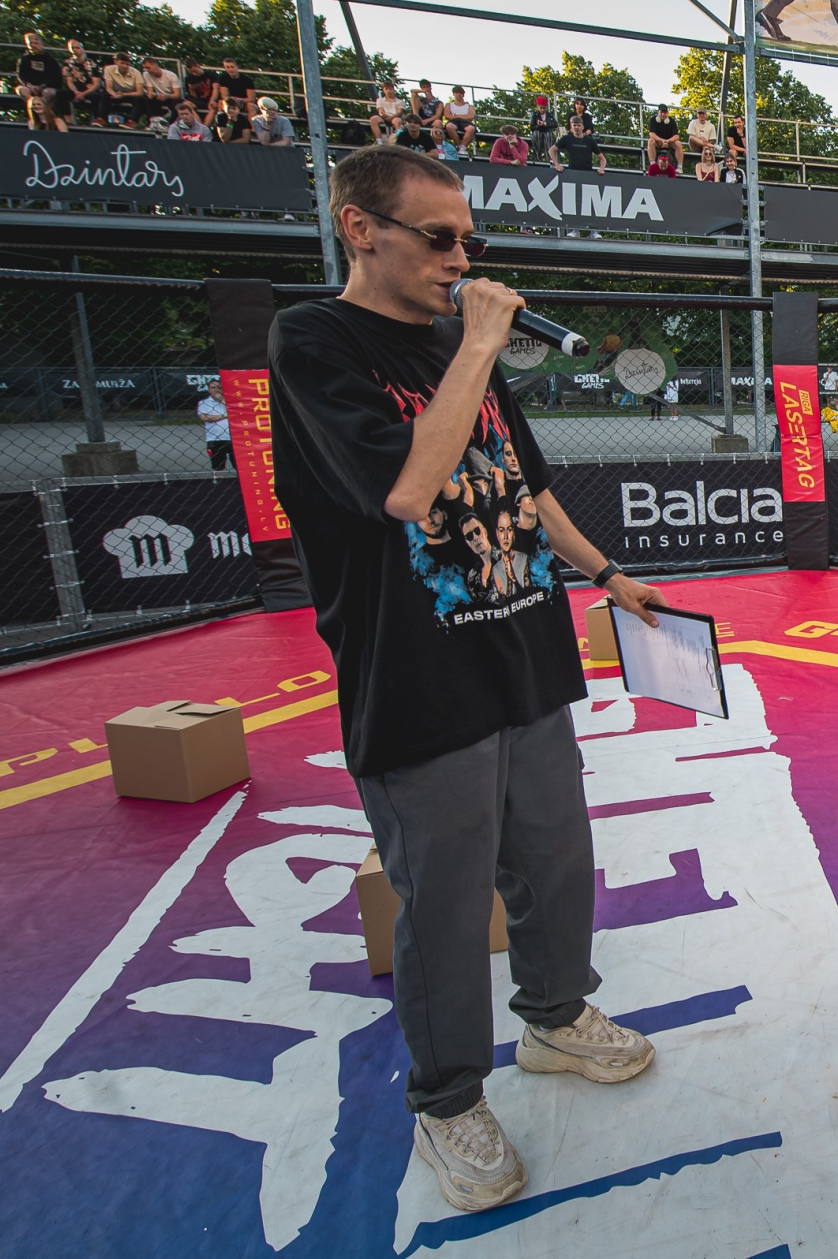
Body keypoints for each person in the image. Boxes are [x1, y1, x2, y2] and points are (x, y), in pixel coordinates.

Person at [266, 145, 665, 1215]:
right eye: (438, 238)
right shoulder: (314, 339)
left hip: (522, 644)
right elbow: (407, 490)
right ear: (361, 229)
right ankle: (447, 1098)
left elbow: (525, 486)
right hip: (417, 670)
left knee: (556, 858)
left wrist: (607, 574)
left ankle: (555, 1017)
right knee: (443, 901)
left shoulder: (457, 343)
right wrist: (481, 344)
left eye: (469, 240)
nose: (460, 259)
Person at [15, 31, 66, 113]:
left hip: (47, 87)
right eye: (31, 43)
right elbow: (21, 75)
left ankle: (45, 113)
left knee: (47, 93)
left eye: (36, 43)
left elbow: (55, 77)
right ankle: (34, 109)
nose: (33, 45)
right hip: (31, 87)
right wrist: (30, 85)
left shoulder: (50, 59)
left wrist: (42, 86)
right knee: (21, 89)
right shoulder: (24, 59)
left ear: (41, 44)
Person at [61, 40, 103, 125]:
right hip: (75, 91)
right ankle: (68, 121)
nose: (75, 50)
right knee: (61, 94)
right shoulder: (67, 64)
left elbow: (96, 84)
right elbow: (69, 81)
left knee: (97, 97)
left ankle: (97, 121)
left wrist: (83, 94)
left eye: (77, 48)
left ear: (82, 49)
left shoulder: (92, 64)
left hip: (89, 91)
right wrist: (76, 92)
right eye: (72, 48)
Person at [101, 50, 147, 127]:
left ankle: (133, 122)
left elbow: (140, 92)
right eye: (122, 63)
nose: (125, 66)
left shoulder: (136, 73)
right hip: (116, 93)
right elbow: (108, 87)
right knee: (105, 96)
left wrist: (123, 94)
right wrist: (114, 94)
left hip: (130, 95)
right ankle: (102, 119)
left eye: (127, 64)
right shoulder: (108, 69)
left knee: (139, 99)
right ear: (116, 62)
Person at [140, 58, 181, 125]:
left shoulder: (171, 75)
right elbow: (150, 91)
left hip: (170, 97)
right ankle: (152, 122)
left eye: (148, 68)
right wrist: (151, 94)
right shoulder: (146, 74)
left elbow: (177, 94)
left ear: (155, 66)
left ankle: (172, 124)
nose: (147, 70)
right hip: (159, 97)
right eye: (145, 68)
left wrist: (167, 96)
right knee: (147, 98)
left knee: (176, 101)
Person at [198, 387, 231, 468]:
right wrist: (225, 415)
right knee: (218, 466)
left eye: (219, 387)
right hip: (215, 439)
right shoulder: (204, 403)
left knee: (239, 465)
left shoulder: (229, 402)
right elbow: (205, 418)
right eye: (213, 388)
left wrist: (222, 400)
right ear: (209, 390)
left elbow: (235, 412)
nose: (216, 390)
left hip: (233, 439)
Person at [442, 87, 479, 153]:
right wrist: (463, 116)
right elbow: (447, 115)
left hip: (466, 122)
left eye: (461, 93)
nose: (458, 94)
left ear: (463, 94)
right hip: (454, 121)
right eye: (456, 92)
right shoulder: (448, 105)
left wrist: (455, 115)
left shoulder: (469, 106)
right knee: (449, 126)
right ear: (454, 94)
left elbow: (470, 116)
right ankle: (459, 146)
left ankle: (463, 149)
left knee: (471, 129)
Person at [528, 94, 559, 165]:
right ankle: (537, 157)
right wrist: (538, 125)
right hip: (538, 131)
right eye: (541, 108)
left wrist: (545, 124)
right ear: (538, 107)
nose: (542, 110)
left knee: (549, 136)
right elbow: (532, 126)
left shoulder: (549, 115)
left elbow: (555, 124)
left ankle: (550, 159)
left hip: (547, 131)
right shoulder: (535, 114)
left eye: (544, 108)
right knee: (537, 135)